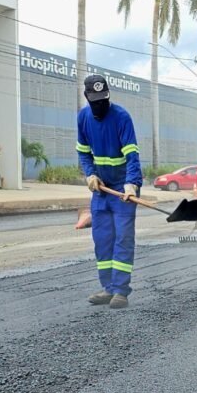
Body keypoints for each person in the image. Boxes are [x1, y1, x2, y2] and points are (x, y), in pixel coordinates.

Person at [76, 74, 142, 309]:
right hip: (102, 188)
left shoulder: (121, 117)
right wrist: (90, 174)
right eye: (96, 100)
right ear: (87, 97)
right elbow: (83, 152)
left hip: (124, 188)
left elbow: (132, 155)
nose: (101, 104)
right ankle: (108, 288)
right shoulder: (83, 117)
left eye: (104, 99)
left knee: (123, 238)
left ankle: (121, 291)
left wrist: (132, 183)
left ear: (108, 96)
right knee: (102, 239)